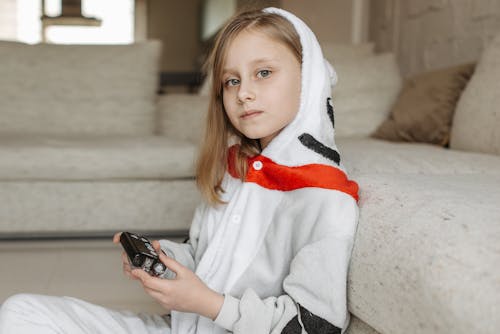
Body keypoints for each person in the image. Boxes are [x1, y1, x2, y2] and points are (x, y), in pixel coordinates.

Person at [0, 7, 359, 334]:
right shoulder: (235, 173)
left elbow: (317, 327)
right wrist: (167, 259)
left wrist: (209, 305)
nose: (244, 92)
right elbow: (206, 258)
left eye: (263, 73)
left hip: (209, 323)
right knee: (20, 311)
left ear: (309, 79)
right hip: (179, 329)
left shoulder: (325, 199)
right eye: (231, 80)